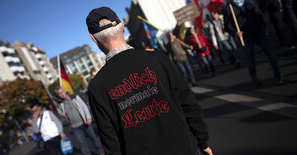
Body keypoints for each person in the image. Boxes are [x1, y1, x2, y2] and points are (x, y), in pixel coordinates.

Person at [85, 7, 212, 155]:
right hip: (183, 147)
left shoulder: (97, 86)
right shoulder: (158, 59)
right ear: (122, 26)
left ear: (93, 38)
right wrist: (203, 141)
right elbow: (188, 104)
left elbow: (110, 140)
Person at [224, 0, 284, 85]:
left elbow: (258, 15)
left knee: (271, 53)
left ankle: (278, 76)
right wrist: (235, 33)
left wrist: (263, 26)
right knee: (251, 58)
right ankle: (254, 77)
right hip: (246, 37)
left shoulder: (250, 3)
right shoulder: (228, 9)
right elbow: (227, 26)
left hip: (259, 32)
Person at [55, 86, 103, 155]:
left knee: (94, 138)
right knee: (82, 144)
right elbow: (63, 115)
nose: (62, 94)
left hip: (84, 122)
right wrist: (62, 114)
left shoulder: (74, 97)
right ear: (58, 95)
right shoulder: (61, 104)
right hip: (75, 127)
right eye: (59, 94)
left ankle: (100, 151)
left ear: (65, 90)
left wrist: (88, 118)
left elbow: (84, 107)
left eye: (62, 92)